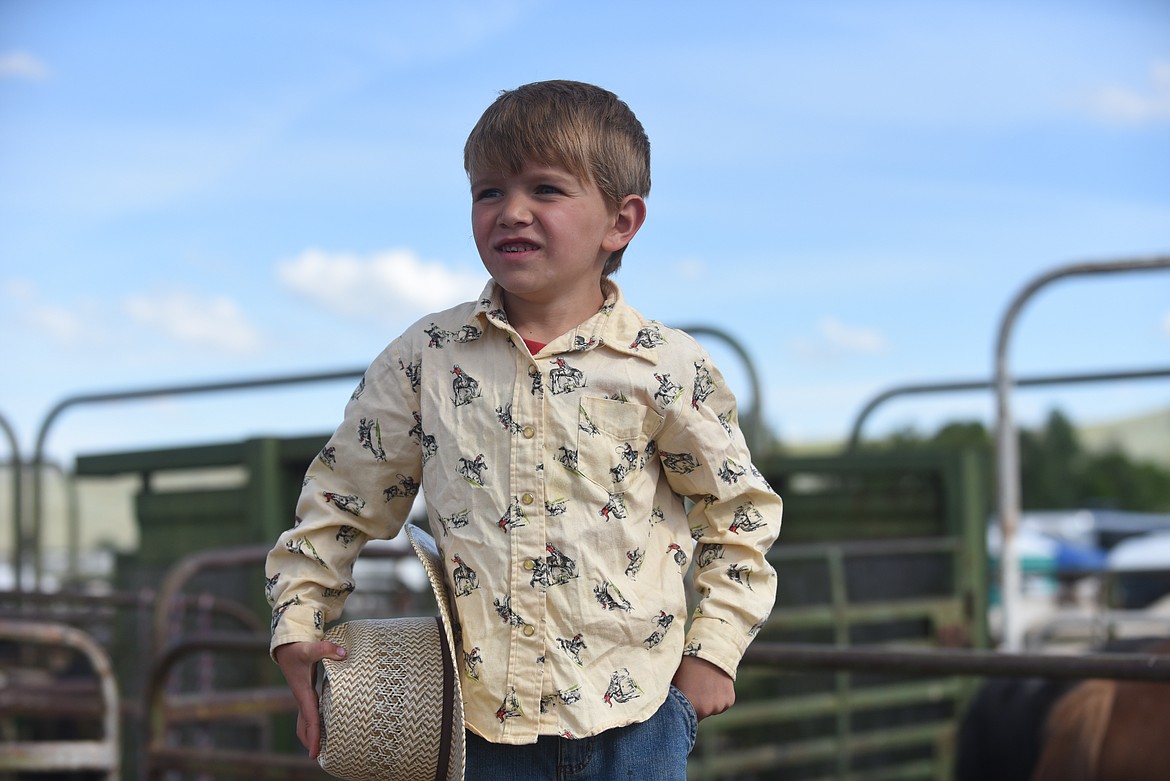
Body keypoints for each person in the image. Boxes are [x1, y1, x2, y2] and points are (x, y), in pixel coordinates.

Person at [265, 79, 781, 780]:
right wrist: (300, 625)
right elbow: (339, 497)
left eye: (545, 189)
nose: (511, 211)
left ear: (620, 222)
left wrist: (712, 651)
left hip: (637, 726)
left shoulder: (664, 365)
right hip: (477, 736)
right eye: (488, 192)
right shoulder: (427, 356)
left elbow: (739, 513)